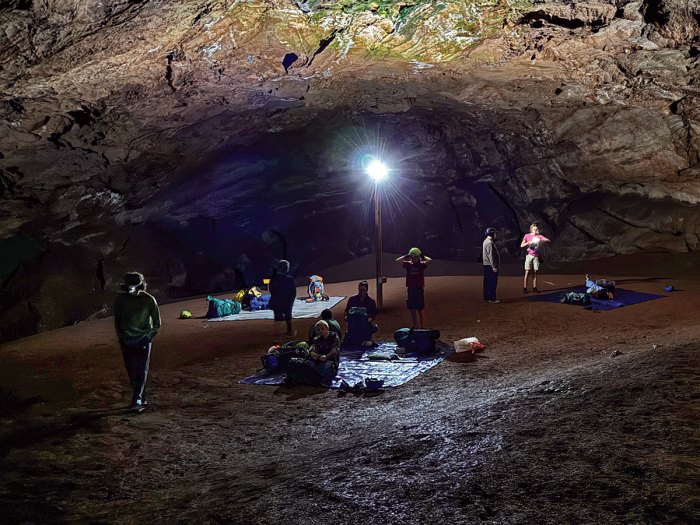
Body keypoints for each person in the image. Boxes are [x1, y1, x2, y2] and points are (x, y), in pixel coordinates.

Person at [113, 272, 161, 413]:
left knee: (141, 369)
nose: (131, 289)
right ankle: (139, 397)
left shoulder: (148, 300)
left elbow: (157, 323)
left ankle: (137, 398)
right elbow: (118, 320)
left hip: (142, 339)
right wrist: (121, 336)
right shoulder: (120, 301)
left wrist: (148, 337)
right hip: (127, 340)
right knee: (133, 370)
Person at [286, 320, 340, 387]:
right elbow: (313, 346)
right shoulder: (317, 338)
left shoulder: (334, 336)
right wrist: (312, 352)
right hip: (319, 361)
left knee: (321, 369)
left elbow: (335, 349)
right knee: (305, 365)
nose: (321, 331)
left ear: (327, 328)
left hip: (330, 362)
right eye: (319, 329)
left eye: (322, 328)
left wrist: (326, 356)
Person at [396, 247, 431, 328]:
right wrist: (407, 256)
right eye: (412, 257)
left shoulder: (421, 264)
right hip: (411, 288)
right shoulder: (408, 264)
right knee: (412, 308)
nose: (413, 258)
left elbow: (428, 259)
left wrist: (421, 255)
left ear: (418, 257)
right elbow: (398, 260)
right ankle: (415, 325)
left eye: (415, 257)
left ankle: (422, 326)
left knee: (420, 308)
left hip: (419, 288)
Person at [343, 281, 378, 346]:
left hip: (365, 322)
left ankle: (365, 339)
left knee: (373, 327)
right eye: (360, 290)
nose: (361, 292)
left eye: (363, 290)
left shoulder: (371, 301)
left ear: (367, 290)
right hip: (354, 321)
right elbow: (347, 310)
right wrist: (346, 316)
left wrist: (370, 318)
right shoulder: (352, 299)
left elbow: (374, 313)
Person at [269, 259, 297, 337]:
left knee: (277, 317)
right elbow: (293, 292)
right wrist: (291, 300)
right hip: (287, 301)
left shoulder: (273, 279)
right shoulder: (289, 279)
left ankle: (277, 335)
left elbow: (271, 290)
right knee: (288, 315)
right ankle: (289, 332)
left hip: (276, 300)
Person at [521, 223, 551, 294]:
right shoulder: (527, 236)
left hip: (536, 256)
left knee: (535, 272)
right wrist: (528, 242)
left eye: (536, 229)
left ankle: (534, 287)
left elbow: (548, 240)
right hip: (529, 255)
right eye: (534, 229)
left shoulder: (539, 236)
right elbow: (521, 245)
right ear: (531, 229)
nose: (535, 230)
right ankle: (525, 288)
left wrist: (541, 240)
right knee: (527, 271)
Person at [482, 227, 500, 303]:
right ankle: (492, 298)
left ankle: (487, 297)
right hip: (490, 265)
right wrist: (494, 267)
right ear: (492, 234)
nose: (496, 235)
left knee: (487, 282)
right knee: (492, 282)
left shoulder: (485, 241)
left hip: (486, 265)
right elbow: (491, 256)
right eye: (495, 233)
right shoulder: (489, 243)